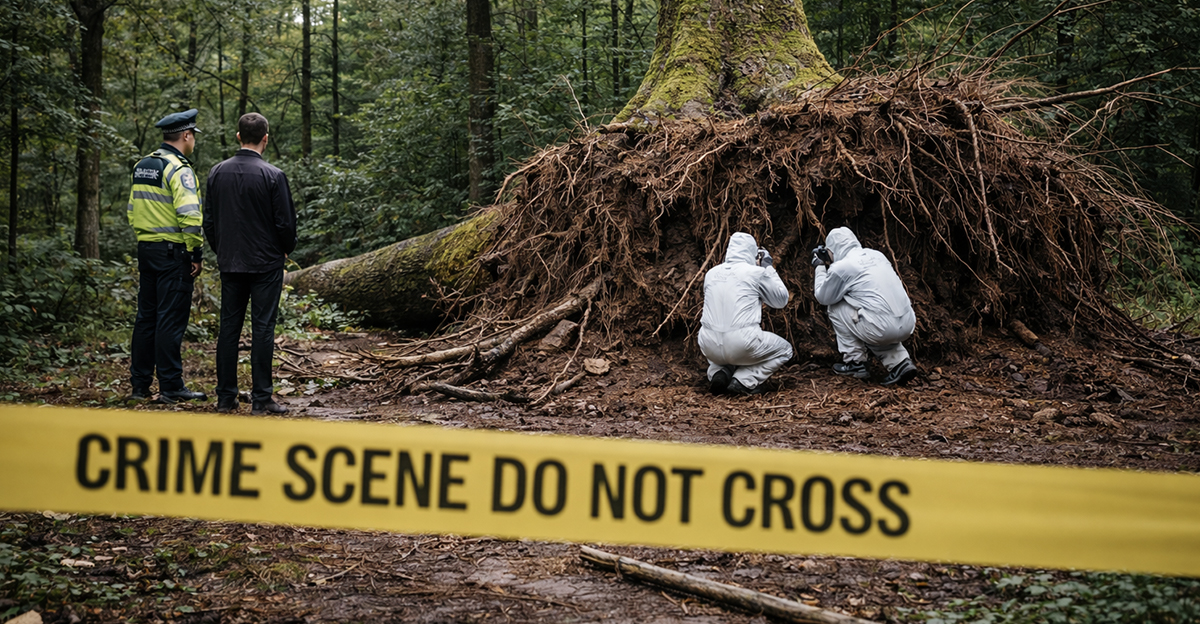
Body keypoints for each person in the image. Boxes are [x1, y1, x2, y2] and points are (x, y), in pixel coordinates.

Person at [204, 112, 297, 415]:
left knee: (229, 328)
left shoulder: (217, 173)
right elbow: (286, 224)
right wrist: (285, 250)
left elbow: (209, 221)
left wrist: (222, 250)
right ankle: (261, 398)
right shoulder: (274, 175)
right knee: (263, 328)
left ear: (238, 136)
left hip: (231, 262)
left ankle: (225, 398)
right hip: (266, 263)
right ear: (265, 139)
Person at [127, 109, 208, 404]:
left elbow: (132, 210)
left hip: (146, 249)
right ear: (186, 135)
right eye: (193, 135)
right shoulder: (179, 169)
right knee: (170, 320)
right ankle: (171, 386)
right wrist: (196, 252)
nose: (194, 140)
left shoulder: (142, 165)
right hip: (174, 253)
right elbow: (190, 215)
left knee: (146, 319)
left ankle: (139, 386)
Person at [812, 227, 919, 386]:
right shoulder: (877, 255)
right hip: (908, 323)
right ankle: (900, 362)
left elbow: (823, 297)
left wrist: (820, 266)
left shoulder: (843, 267)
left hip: (880, 329)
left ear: (831, 250)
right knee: (872, 312)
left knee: (836, 307)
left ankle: (855, 362)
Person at [698, 232, 793, 395]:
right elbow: (781, 300)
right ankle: (744, 380)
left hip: (708, 345)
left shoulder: (711, 274)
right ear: (753, 253)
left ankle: (718, 372)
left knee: (720, 336)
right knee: (785, 350)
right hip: (742, 343)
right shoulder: (755, 273)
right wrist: (767, 267)